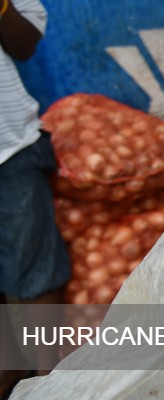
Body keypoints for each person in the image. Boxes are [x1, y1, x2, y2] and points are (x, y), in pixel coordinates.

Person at [0, 0, 70, 393]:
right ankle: (7, 367)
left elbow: (25, 44)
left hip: (8, 145)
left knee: (35, 264)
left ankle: (47, 377)